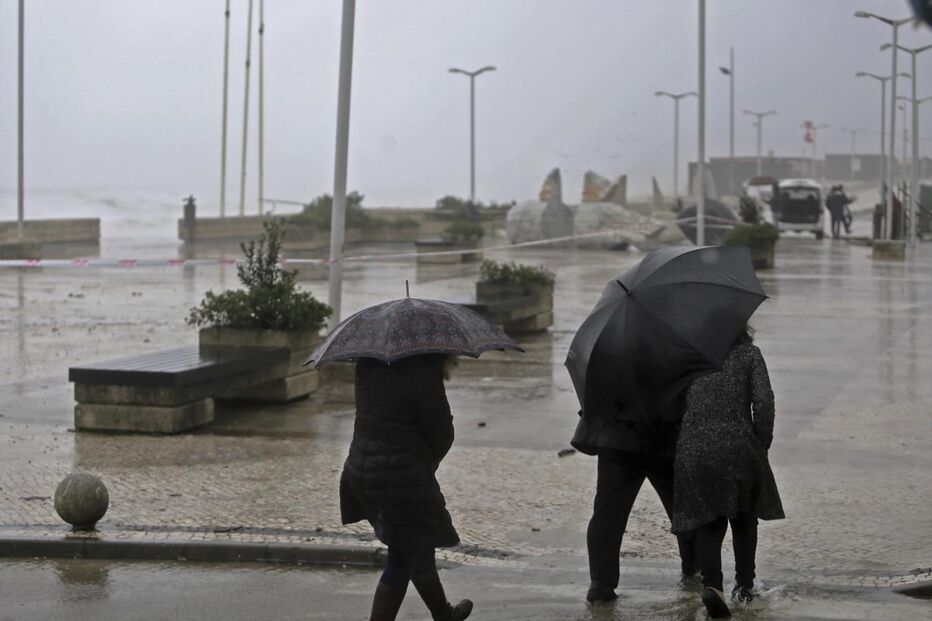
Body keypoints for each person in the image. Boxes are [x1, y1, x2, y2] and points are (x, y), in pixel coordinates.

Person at [341, 354, 472, 621]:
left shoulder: (368, 361)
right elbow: (441, 434)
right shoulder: (423, 370)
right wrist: (426, 463)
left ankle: (443, 614)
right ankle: (443, 615)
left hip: (364, 465)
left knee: (405, 554)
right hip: (401, 477)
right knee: (414, 554)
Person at [671, 326, 785, 618]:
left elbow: (672, 402)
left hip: (694, 448)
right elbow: (764, 401)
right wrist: (761, 442)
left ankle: (713, 585)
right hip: (739, 447)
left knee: (708, 518)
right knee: (744, 518)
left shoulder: (690, 357)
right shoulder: (749, 355)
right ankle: (744, 587)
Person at [572, 400, 696, 603]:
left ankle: (601, 583)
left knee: (608, 512)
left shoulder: (610, 374)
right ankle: (693, 565)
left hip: (617, 434)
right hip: (665, 433)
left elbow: (592, 385)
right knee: (682, 508)